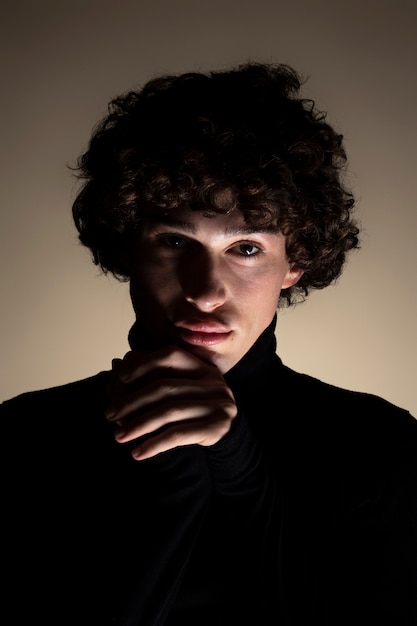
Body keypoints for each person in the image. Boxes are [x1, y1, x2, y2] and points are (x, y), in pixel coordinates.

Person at [1, 62, 416, 626]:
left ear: (295, 264)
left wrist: (237, 462)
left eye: (246, 248)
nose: (205, 292)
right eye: (174, 240)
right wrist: (174, 478)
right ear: (128, 249)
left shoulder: (378, 446)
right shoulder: (24, 440)